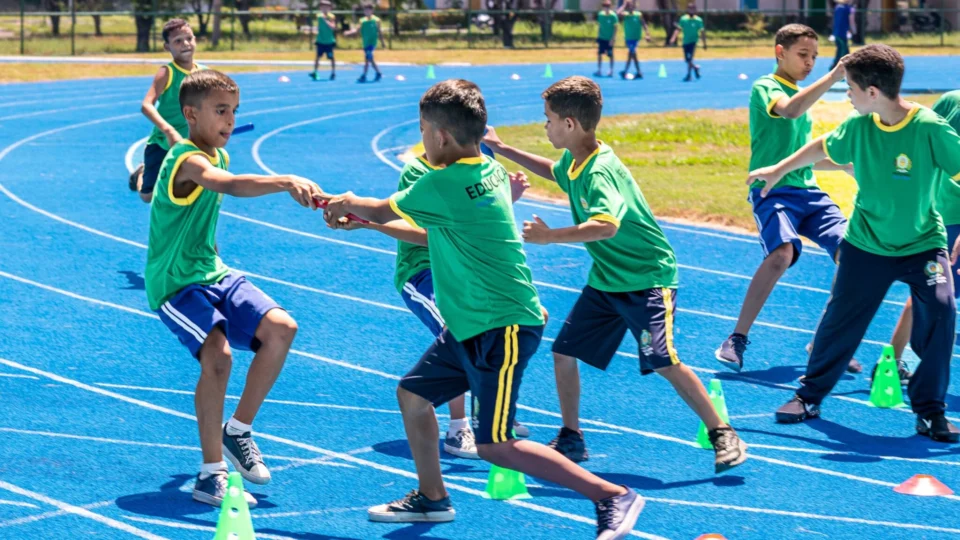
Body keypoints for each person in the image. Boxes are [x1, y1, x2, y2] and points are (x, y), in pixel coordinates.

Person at [320, 79, 645, 538]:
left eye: (422, 129)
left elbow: (381, 208)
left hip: (500, 325)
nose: (422, 137)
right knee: (413, 397)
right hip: (476, 322)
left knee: (496, 444)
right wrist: (362, 216)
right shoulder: (487, 171)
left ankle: (611, 496)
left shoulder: (444, 182)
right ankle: (433, 498)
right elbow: (422, 228)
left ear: (440, 137)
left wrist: (346, 205)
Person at [483, 76, 748, 474]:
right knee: (564, 352)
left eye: (548, 119)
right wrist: (502, 148)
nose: (545, 126)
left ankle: (722, 432)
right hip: (607, 280)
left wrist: (550, 236)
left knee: (663, 360)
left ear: (569, 124)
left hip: (646, 279)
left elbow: (606, 225)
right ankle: (571, 437)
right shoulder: (576, 160)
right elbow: (557, 172)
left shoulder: (600, 171)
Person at [748, 45, 960, 443]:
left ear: (874, 91)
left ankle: (930, 411)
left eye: (849, 86)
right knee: (841, 319)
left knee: (943, 310)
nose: (846, 93)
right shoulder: (859, 126)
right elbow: (822, 147)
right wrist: (777, 170)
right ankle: (809, 396)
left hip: (923, 244)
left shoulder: (930, 127)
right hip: (867, 244)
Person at [145, 70, 325, 506]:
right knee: (219, 358)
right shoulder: (189, 160)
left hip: (211, 270)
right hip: (176, 282)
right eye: (220, 111)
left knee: (282, 328)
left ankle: (238, 430)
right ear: (190, 114)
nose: (229, 120)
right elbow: (223, 185)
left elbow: (204, 211)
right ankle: (210, 475)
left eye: (234, 112)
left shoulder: (217, 155)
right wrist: (284, 181)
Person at [327, 155, 536, 459]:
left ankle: (490, 409)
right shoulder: (421, 172)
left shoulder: (483, 162)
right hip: (424, 272)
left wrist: (507, 198)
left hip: (464, 273)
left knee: (492, 328)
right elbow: (429, 233)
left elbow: (476, 221)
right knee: (457, 330)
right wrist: (365, 218)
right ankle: (458, 427)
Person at [715, 24, 859, 375]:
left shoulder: (800, 95)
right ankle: (735, 338)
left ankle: (823, 341)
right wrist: (835, 75)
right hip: (773, 191)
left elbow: (802, 156)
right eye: (803, 55)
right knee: (782, 254)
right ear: (780, 52)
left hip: (808, 192)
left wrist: (846, 166)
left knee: (853, 256)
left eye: (815, 57)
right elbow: (790, 110)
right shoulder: (767, 87)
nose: (810, 62)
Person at [883, 90, 960, 384]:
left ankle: (893, 359)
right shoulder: (952, 103)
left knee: (929, 290)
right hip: (951, 215)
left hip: (937, 208)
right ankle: (894, 359)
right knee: (932, 290)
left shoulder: (949, 100)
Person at [128, 19, 204, 203]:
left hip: (190, 142)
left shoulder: (204, 73)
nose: (185, 44)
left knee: (193, 187)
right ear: (167, 46)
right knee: (147, 196)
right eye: (178, 41)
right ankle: (142, 172)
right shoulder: (167, 73)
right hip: (162, 142)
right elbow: (146, 105)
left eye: (189, 38)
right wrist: (169, 131)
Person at [345, 3, 385, 82]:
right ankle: (378, 72)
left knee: (368, 59)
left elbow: (379, 32)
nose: (367, 11)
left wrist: (382, 42)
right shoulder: (362, 20)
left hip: (372, 42)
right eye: (365, 10)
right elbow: (357, 30)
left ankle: (364, 75)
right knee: (369, 59)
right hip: (365, 42)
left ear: (372, 10)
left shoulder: (376, 20)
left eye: (368, 10)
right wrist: (349, 32)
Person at [669, 3, 705, 82]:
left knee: (690, 58)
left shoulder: (698, 20)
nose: (691, 10)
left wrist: (704, 43)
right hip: (686, 41)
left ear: (695, 10)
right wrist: (673, 38)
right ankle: (695, 68)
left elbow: (702, 32)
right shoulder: (683, 19)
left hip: (693, 41)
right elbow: (678, 29)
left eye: (692, 8)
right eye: (689, 8)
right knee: (687, 59)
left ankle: (689, 75)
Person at [617, 0, 651, 80]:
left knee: (632, 52)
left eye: (632, 6)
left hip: (636, 38)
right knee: (632, 54)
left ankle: (627, 71)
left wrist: (647, 34)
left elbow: (644, 24)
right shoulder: (626, 15)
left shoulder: (638, 15)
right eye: (629, 6)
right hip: (628, 38)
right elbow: (618, 13)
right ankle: (638, 72)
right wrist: (624, 5)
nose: (631, 8)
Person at [312, 0, 337, 80]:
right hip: (320, 40)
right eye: (322, 7)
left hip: (329, 41)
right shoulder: (319, 16)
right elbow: (319, 27)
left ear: (329, 8)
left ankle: (333, 72)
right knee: (317, 57)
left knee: (331, 57)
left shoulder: (331, 16)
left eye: (326, 7)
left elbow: (333, 27)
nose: (324, 9)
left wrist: (325, 20)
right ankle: (315, 72)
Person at [595, 0, 618, 78]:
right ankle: (599, 70)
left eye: (608, 6)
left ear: (610, 7)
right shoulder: (600, 15)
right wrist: (598, 36)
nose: (606, 8)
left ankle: (611, 70)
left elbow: (615, 28)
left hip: (609, 39)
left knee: (610, 55)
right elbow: (599, 26)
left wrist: (613, 39)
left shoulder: (613, 16)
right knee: (599, 54)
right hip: (602, 38)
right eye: (605, 6)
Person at [831, 0, 854, 70]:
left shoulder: (837, 7)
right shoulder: (849, 9)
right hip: (843, 33)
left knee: (842, 50)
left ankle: (848, 66)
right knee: (843, 51)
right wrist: (853, 30)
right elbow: (851, 21)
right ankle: (836, 67)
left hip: (836, 33)